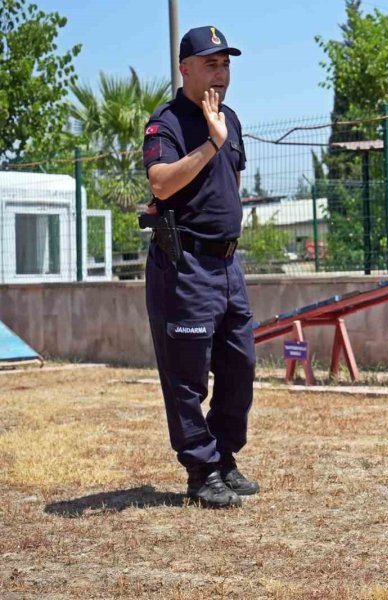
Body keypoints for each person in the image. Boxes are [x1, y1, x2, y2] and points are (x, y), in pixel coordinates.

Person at [142, 25, 257, 508]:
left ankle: (223, 457)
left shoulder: (229, 117)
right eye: (211, 63)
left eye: (226, 63)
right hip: (184, 265)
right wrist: (210, 142)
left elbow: (227, 182)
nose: (221, 72)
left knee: (241, 365)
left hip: (228, 266)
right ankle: (199, 470)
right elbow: (161, 183)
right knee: (188, 376)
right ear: (185, 69)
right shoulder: (166, 122)